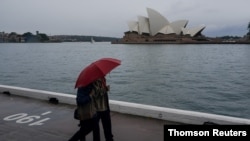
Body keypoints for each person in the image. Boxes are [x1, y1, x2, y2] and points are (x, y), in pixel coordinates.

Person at [92, 76, 114, 141]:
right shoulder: (94, 81)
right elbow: (95, 94)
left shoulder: (103, 79)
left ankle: (109, 139)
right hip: (97, 108)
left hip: (105, 107)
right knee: (95, 128)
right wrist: (105, 89)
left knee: (107, 126)